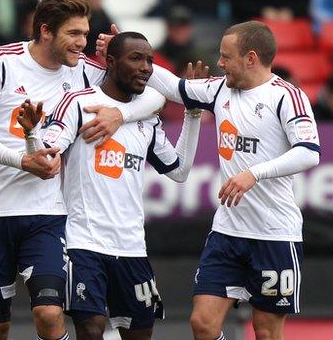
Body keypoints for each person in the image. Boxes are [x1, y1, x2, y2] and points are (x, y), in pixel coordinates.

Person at [0, 0, 164, 340]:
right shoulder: (1, 60)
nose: (82, 43)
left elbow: (157, 89)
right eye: (74, 34)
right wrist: (21, 161)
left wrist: (120, 113)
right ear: (46, 31)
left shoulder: (84, 69)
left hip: (47, 215)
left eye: (85, 33)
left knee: (50, 314)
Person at [98, 21, 321, 340]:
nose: (219, 63)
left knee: (266, 331)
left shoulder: (286, 97)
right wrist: (120, 47)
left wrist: (254, 174)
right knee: (202, 324)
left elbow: (309, 152)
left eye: (226, 56)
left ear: (251, 58)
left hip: (275, 233)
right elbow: (175, 88)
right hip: (227, 232)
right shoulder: (219, 89)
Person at [19, 31, 203, 340]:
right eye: (136, 58)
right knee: (91, 329)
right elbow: (46, 161)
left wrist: (193, 113)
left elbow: (179, 170)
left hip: (131, 247)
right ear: (111, 62)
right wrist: (31, 135)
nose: (145, 67)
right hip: (83, 242)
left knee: (139, 333)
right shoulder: (79, 103)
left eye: (149, 60)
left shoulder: (145, 116)